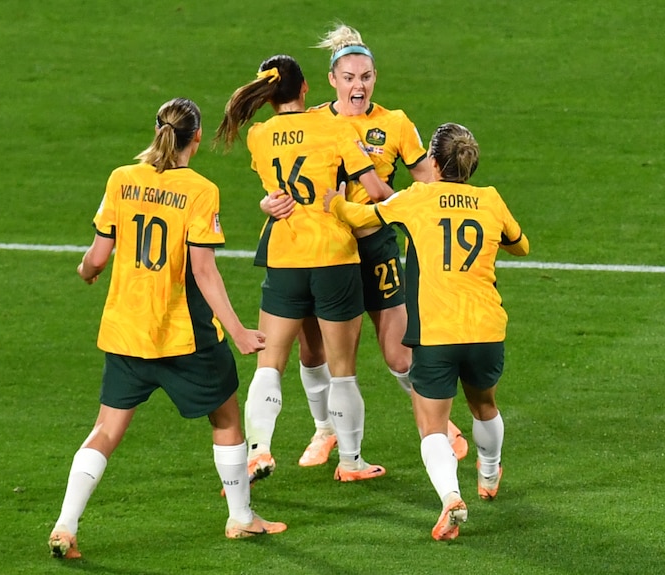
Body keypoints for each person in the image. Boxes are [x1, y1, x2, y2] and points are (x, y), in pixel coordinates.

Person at [48, 98, 286, 560]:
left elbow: (97, 257)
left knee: (105, 429)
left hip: (126, 332)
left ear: (157, 130)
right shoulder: (199, 190)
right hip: (183, 335)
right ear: (196, 138)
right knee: (227, 418)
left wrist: (85, 271)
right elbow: (204, 271)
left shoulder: (122, 178)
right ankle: (240, 518)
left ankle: (65, 525)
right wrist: (236, 330)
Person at [261, 25, 469, 469]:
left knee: (397, 351)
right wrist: (267, 202)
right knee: (313, 350)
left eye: (367, 76)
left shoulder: (394, 123)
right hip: (324, 249)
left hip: (374, 244)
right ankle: (325, 432)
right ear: (332, 80)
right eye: (351, 77)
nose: (359, 85)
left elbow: (426, 187)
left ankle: (441, 424)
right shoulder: (314, 120)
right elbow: (279, 176)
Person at [324, 122, 529, 541]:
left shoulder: (417, 199)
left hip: (437, 333)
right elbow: (520, 244)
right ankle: (489, 474)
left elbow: (365, 215)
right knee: (484, 405)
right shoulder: (490, 200)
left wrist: (335, 203)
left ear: (433, 162)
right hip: (486, 328)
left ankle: (451, 497)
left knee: (433, 426)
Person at [214, 54, 391, 485]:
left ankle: (257, 451)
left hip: (285, 257)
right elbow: (375, 191)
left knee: (269, 365)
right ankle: (350, 462)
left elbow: (275, 193)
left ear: (269, 95)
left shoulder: (259, 135)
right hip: (334, 256)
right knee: (343, 368)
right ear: (307, 87)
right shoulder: (336, 129)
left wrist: (266, 204)